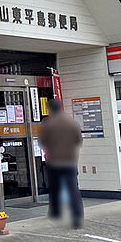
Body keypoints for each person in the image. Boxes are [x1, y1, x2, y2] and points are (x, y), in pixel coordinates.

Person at [38, 98, 84, 228]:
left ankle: (55, 212)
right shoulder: (72, 123)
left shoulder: (47, 124)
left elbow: (42, 142)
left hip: (54, 161)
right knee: (73, 189)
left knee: (54, 188)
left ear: (50, 109)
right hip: (70, 161)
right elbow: (78, 141)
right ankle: (77, 217)